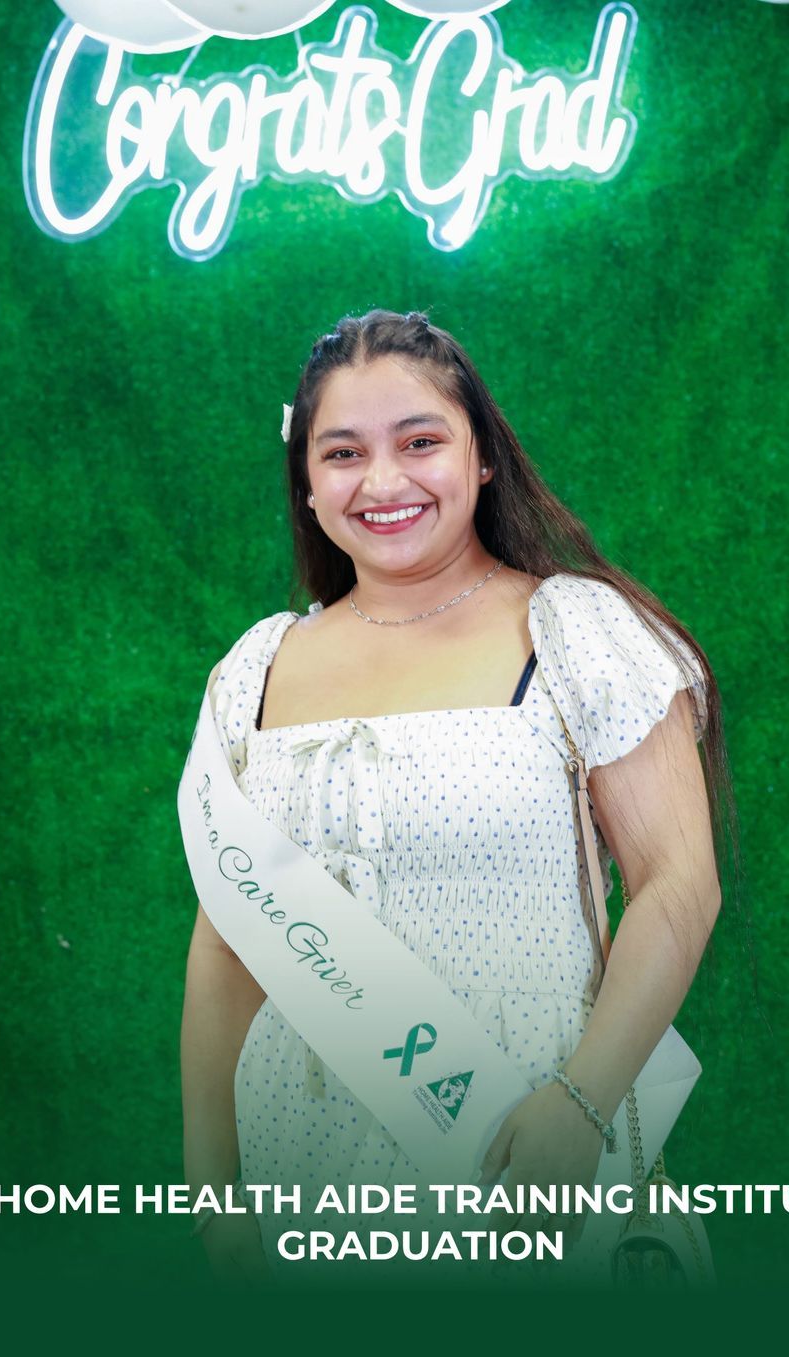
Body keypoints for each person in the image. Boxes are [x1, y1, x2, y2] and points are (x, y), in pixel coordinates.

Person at [179, 308, 746, 1287]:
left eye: (421, 441)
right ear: (308, 484)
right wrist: (214, 1196)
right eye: (344, 453)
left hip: (523, 1155)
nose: (384, 481)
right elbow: (227, 944)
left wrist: (580, 1106)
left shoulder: (575, 630)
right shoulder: (253, 668)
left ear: (481, 457)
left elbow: (678, 885)